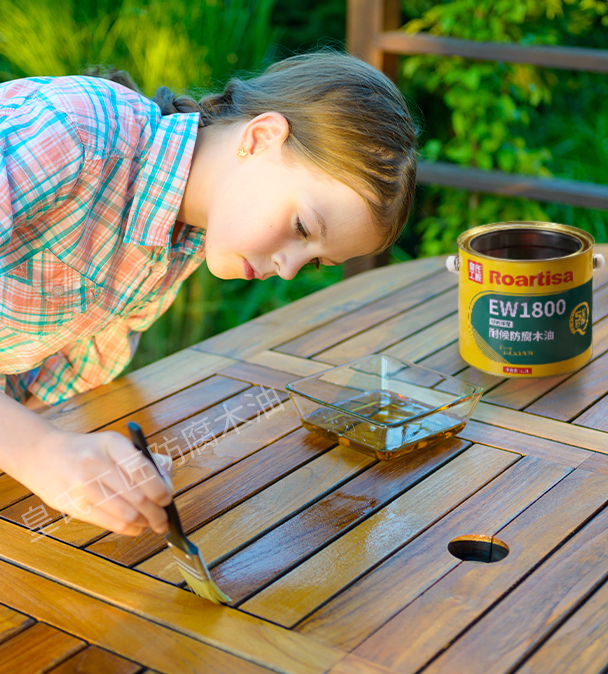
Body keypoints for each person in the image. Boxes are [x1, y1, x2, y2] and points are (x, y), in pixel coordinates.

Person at [0, 51, 417, 537]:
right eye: (301, 227)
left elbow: (58, 380)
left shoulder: (182, 242)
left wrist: (80, 459)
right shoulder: (77, 131)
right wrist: (36, 451)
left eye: (315, 261)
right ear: (261, 138)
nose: (288, 268)